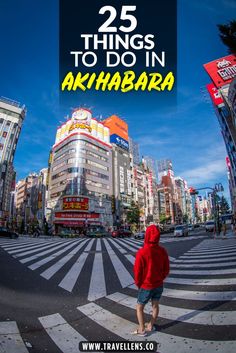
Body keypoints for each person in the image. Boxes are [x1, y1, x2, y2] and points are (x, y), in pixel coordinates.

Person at [132, 224, 169, 336]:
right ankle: (150, 325)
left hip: (146, 285)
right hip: (159, 284)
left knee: (139, 307)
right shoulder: (162, 251)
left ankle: (142, 329)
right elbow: (166, 269)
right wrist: (160, 278)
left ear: (146, 236)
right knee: (155, 306)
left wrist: (139, 284)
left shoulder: (141, 253)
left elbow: (137, 272)